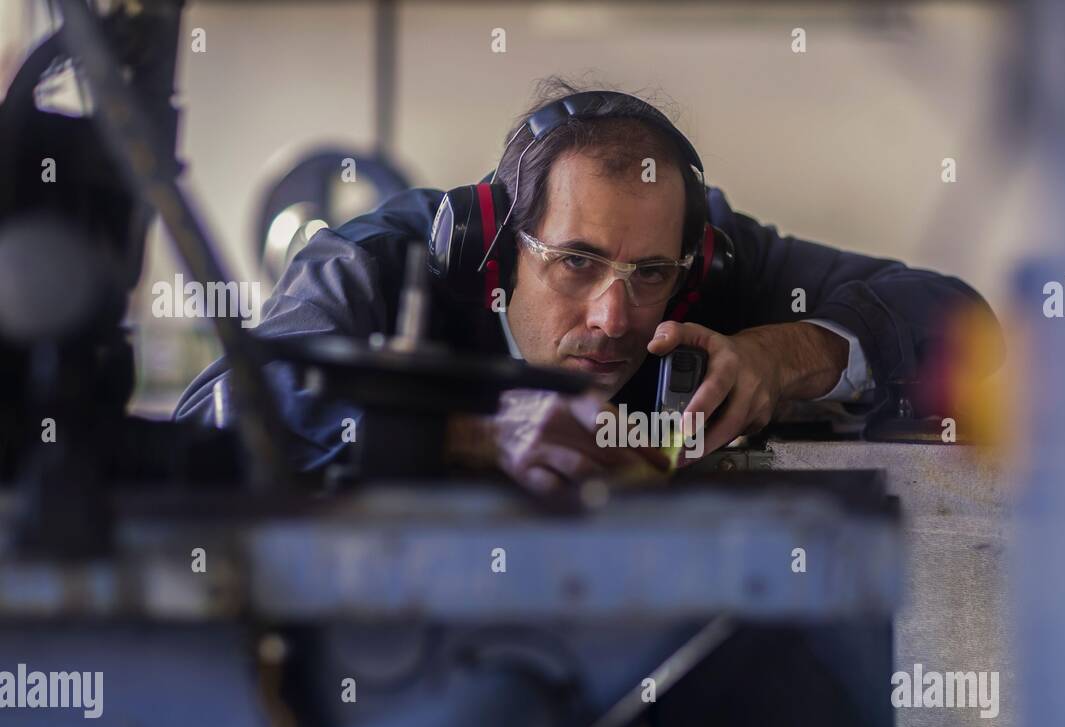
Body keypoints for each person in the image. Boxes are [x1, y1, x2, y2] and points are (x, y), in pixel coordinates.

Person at [175, 77, 1002, 493]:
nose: (615, 319)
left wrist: (787, 355)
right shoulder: (376, 265)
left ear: (694, 261)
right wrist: (462, 435)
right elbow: (209, 421)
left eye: (649, 275)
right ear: (494, 246)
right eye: (576, 262)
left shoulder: (715, 261)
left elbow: (964, 325)